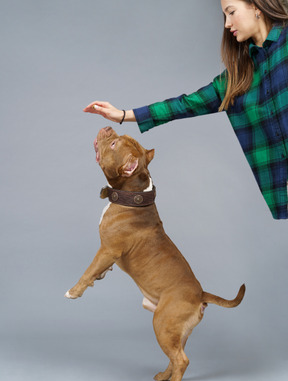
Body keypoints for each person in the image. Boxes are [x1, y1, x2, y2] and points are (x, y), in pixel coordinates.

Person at [83, 0, 288, 220]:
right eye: (224, 16)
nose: (227, 24)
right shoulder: (237, 78)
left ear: (257, 6)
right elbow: (185, 104)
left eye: (231, 13)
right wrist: (123, 115)